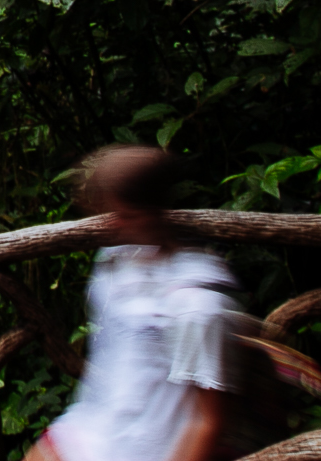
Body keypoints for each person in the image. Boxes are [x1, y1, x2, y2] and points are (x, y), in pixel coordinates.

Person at [30, 145, 240, 461]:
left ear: (152, 212)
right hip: (94, 431)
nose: (112, 225)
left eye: (125, 216)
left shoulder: (196, 302)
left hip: (149, 447)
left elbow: (207, 420)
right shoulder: (116, 263)